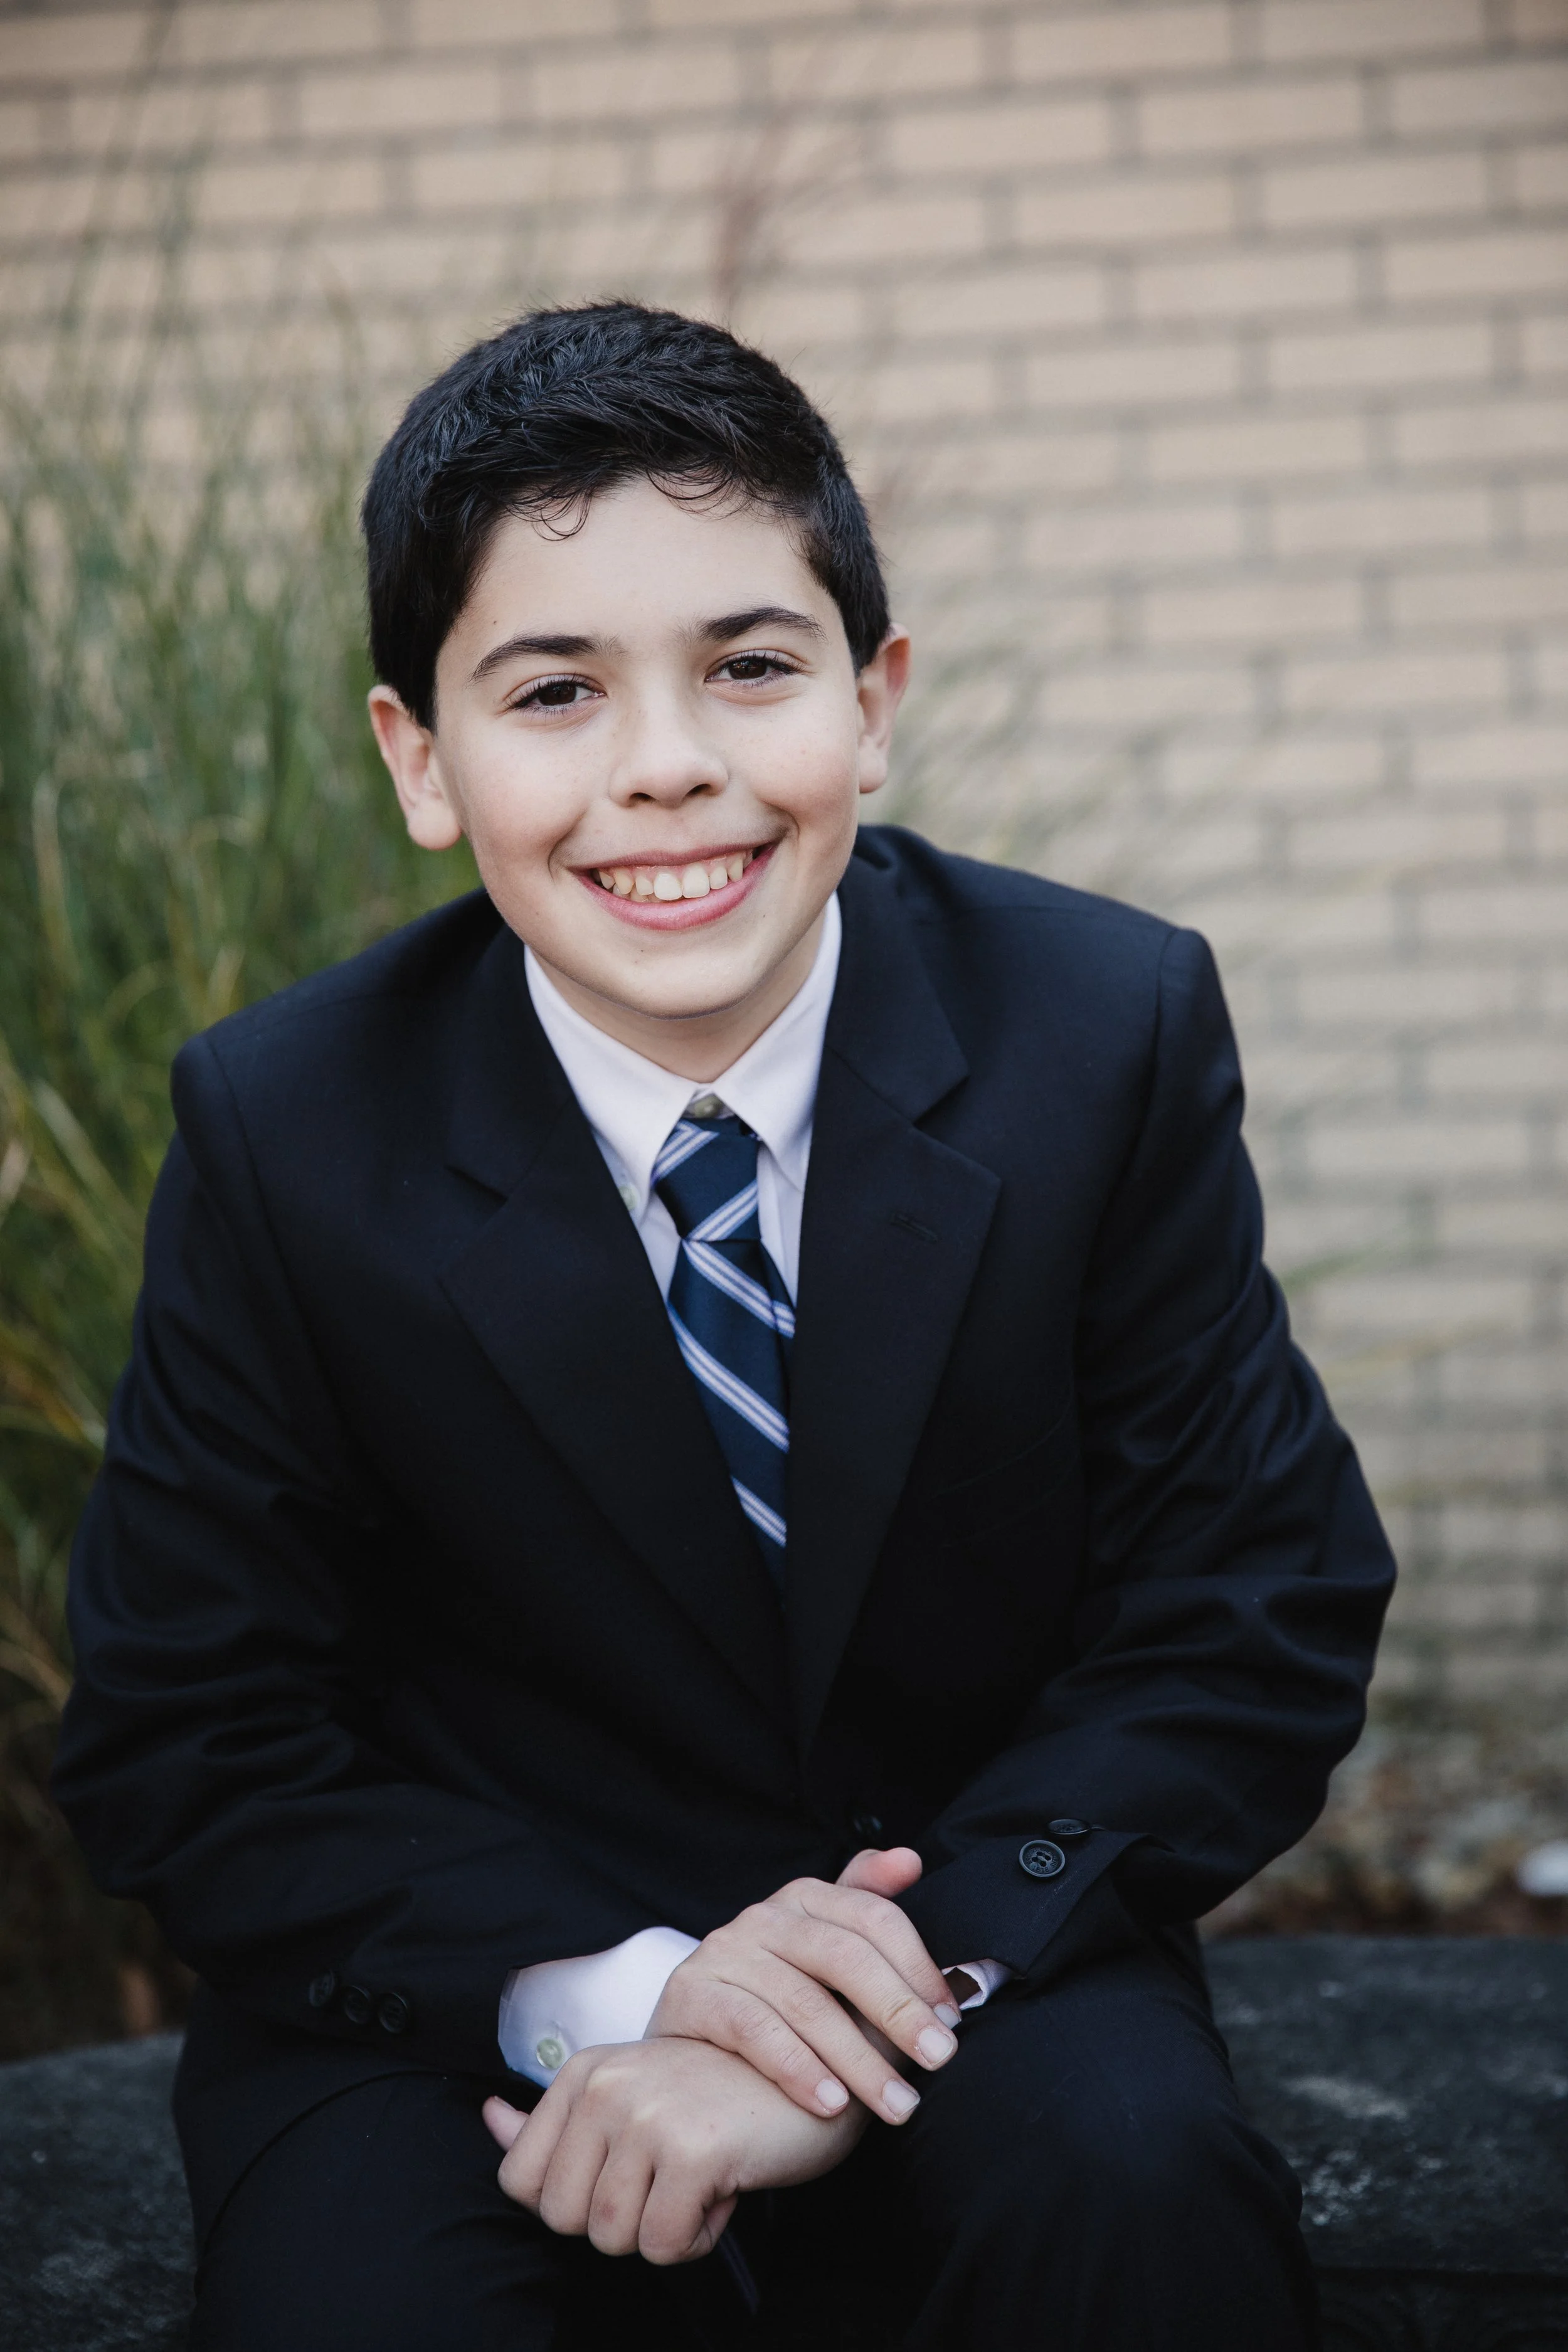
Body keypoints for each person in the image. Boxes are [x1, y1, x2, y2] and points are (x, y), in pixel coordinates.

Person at [53, 301, 1394, 2350]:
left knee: (1138, 2215)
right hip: (475, 2003)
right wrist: (644, 1992)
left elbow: (1249, 1597)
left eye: (748, 667)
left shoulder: (1096, 1029)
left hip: (977, 1943)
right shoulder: (287, 1125)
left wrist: (866, 1987)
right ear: (422, 758)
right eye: (552, 689)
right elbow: (194, 1733)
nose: (665, 764)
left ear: (871, 703)